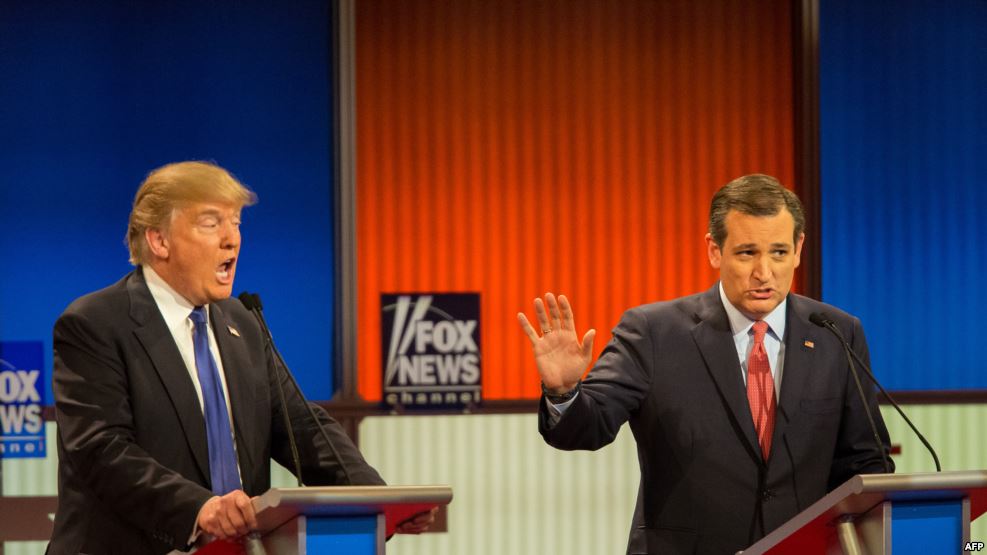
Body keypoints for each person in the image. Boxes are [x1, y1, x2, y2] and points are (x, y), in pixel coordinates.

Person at [50, 161, 433, 554]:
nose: (231, 239)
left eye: (236, 223)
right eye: (211, 223)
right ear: (159, 241)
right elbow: (102, 450)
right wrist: (200, 508)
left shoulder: (242, 321)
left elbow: (301, 426)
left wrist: (374, 498)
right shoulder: (94, 323)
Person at [517, 174, 894, 554]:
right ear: (715, 250)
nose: (764, 272)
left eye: (779, 252)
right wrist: (564, 391)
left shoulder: (836, 333)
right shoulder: (653, 333)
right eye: (747, 253)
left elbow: (865, 462)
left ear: (798, 249)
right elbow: (587, 429)